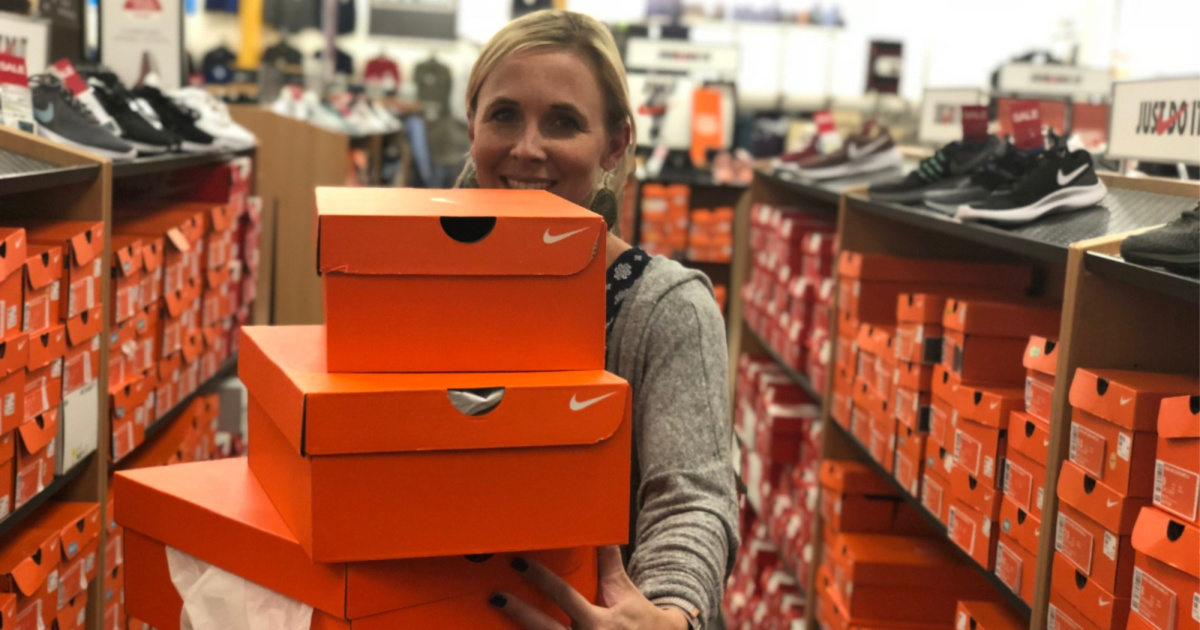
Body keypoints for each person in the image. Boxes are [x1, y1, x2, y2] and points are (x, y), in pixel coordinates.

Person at [456, 10, 739, 630]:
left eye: (563, 122)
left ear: (614, 144)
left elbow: (692, 495)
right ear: (471, 124)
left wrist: (671, 610)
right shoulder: (411, 278)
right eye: (504, 114)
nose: (527, 148)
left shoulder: (665, 306)